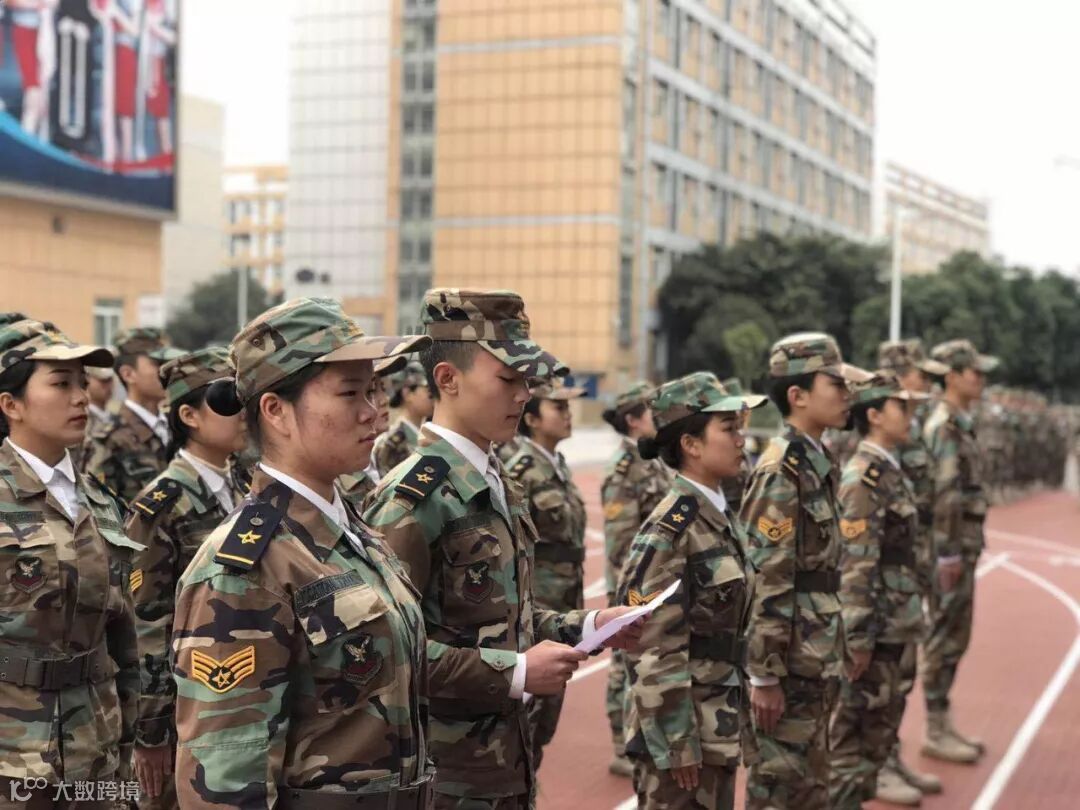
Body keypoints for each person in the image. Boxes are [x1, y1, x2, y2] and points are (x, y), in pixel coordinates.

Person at [363, 288, 645, 810]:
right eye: (509, 379)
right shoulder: (413, 501)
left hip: (505, 767)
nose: (524, 396)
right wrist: (514, 672)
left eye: (527, 381)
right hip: (446, 781)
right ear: (447, 378)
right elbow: (382, 653)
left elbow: (503, 619)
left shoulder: (494, 481)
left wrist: (590, 625)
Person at [170, 298, 434, 808]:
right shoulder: (246, 568)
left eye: (373, 390)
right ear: (276, 412)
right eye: (350, 392)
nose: (372, 410)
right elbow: (225, 783)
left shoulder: (350, 529)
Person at [0, 318, 142, 807]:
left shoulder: (100, 503)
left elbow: (123, 634)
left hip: (96, 747)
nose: (81, 397)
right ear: (11, 404)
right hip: (12, 756)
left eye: (82, 383)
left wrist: (130, 737)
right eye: (61, 384)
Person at [619, 372, 766, 810]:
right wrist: (676, 742)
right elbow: (650, 643)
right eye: (729, 428)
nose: (741, 439)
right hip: (684, 736)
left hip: (716, 719)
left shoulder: (715, 514)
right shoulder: (672, 529)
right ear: (691, 444)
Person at [740, 332, 871, 810]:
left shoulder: (818, 459)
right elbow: (767, 577)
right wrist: (764, 675)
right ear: (797, 395)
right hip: (791, 662)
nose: (846, 393)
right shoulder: (783, 470)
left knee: (812, 782)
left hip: (816, 650)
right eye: (834, 383)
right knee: (779, 785)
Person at [124, 347, 247, 808]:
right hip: (183, 709)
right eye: (226, 402)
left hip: (238, 696)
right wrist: (151, 732)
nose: (242, 413)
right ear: (189, 416)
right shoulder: (161, 504)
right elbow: (147, 623)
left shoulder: (245, 486)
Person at [828, 372, 928, 809]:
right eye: (900, 407)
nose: (909, 416)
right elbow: (856, 566)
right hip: (877, 628)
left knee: (878, 732)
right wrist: (858, 638)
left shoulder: (888, 470)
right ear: (874, 415)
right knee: (853, 739)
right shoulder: (863, 479)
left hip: (895, 621)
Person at [875, 338, 948, 797]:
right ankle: (877, 765)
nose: (928, 381)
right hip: (882, 576)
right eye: (922, 373)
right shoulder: (874, 431)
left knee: (902, 675)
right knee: (877, 681)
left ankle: (891, 756)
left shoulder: (912, 428)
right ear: (900, 375)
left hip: (908, 571)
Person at [503, 377, 587, 772]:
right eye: (559, 407)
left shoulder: (557, 466)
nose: (568, 415)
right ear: (533, 419)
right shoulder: (522, 470)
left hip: (564, 601)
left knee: (547, 718)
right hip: (540, 604)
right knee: (528, 721)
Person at [920, 339, 997, 764]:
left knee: (956, 636)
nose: (981, 379)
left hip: (962, 545)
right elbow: (946, 495)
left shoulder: (961, 422)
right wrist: (947, 554)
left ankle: (943, 718)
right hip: (950, 548)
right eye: (975, 372)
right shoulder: (945, 425)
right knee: (943, 636)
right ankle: (935, 728)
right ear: (952, 377)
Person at [600, 380, 671, 777]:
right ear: (633, 420)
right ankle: (619, 744)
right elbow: (620, 543)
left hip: (654, 586)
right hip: (632, 589)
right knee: (623, 664)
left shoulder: (652, 461)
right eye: (651, 412)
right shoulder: (623, 470)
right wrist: (636, 591)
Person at [83, 327, 183, 508]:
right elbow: (101, 509)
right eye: (158, 364)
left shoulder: (179, 427)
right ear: (128, 374)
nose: (168, 371)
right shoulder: (109, 438)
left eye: (170, 363)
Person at [338, 355, 399, 513]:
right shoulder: (335, 484)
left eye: (381, 389)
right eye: (352, 393)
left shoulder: (384, 458)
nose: (384, 400)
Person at [374, 360, 433, 477]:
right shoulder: (391, 444)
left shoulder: (426, 433)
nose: (433, 396)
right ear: (407, 394)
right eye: (428, 390)